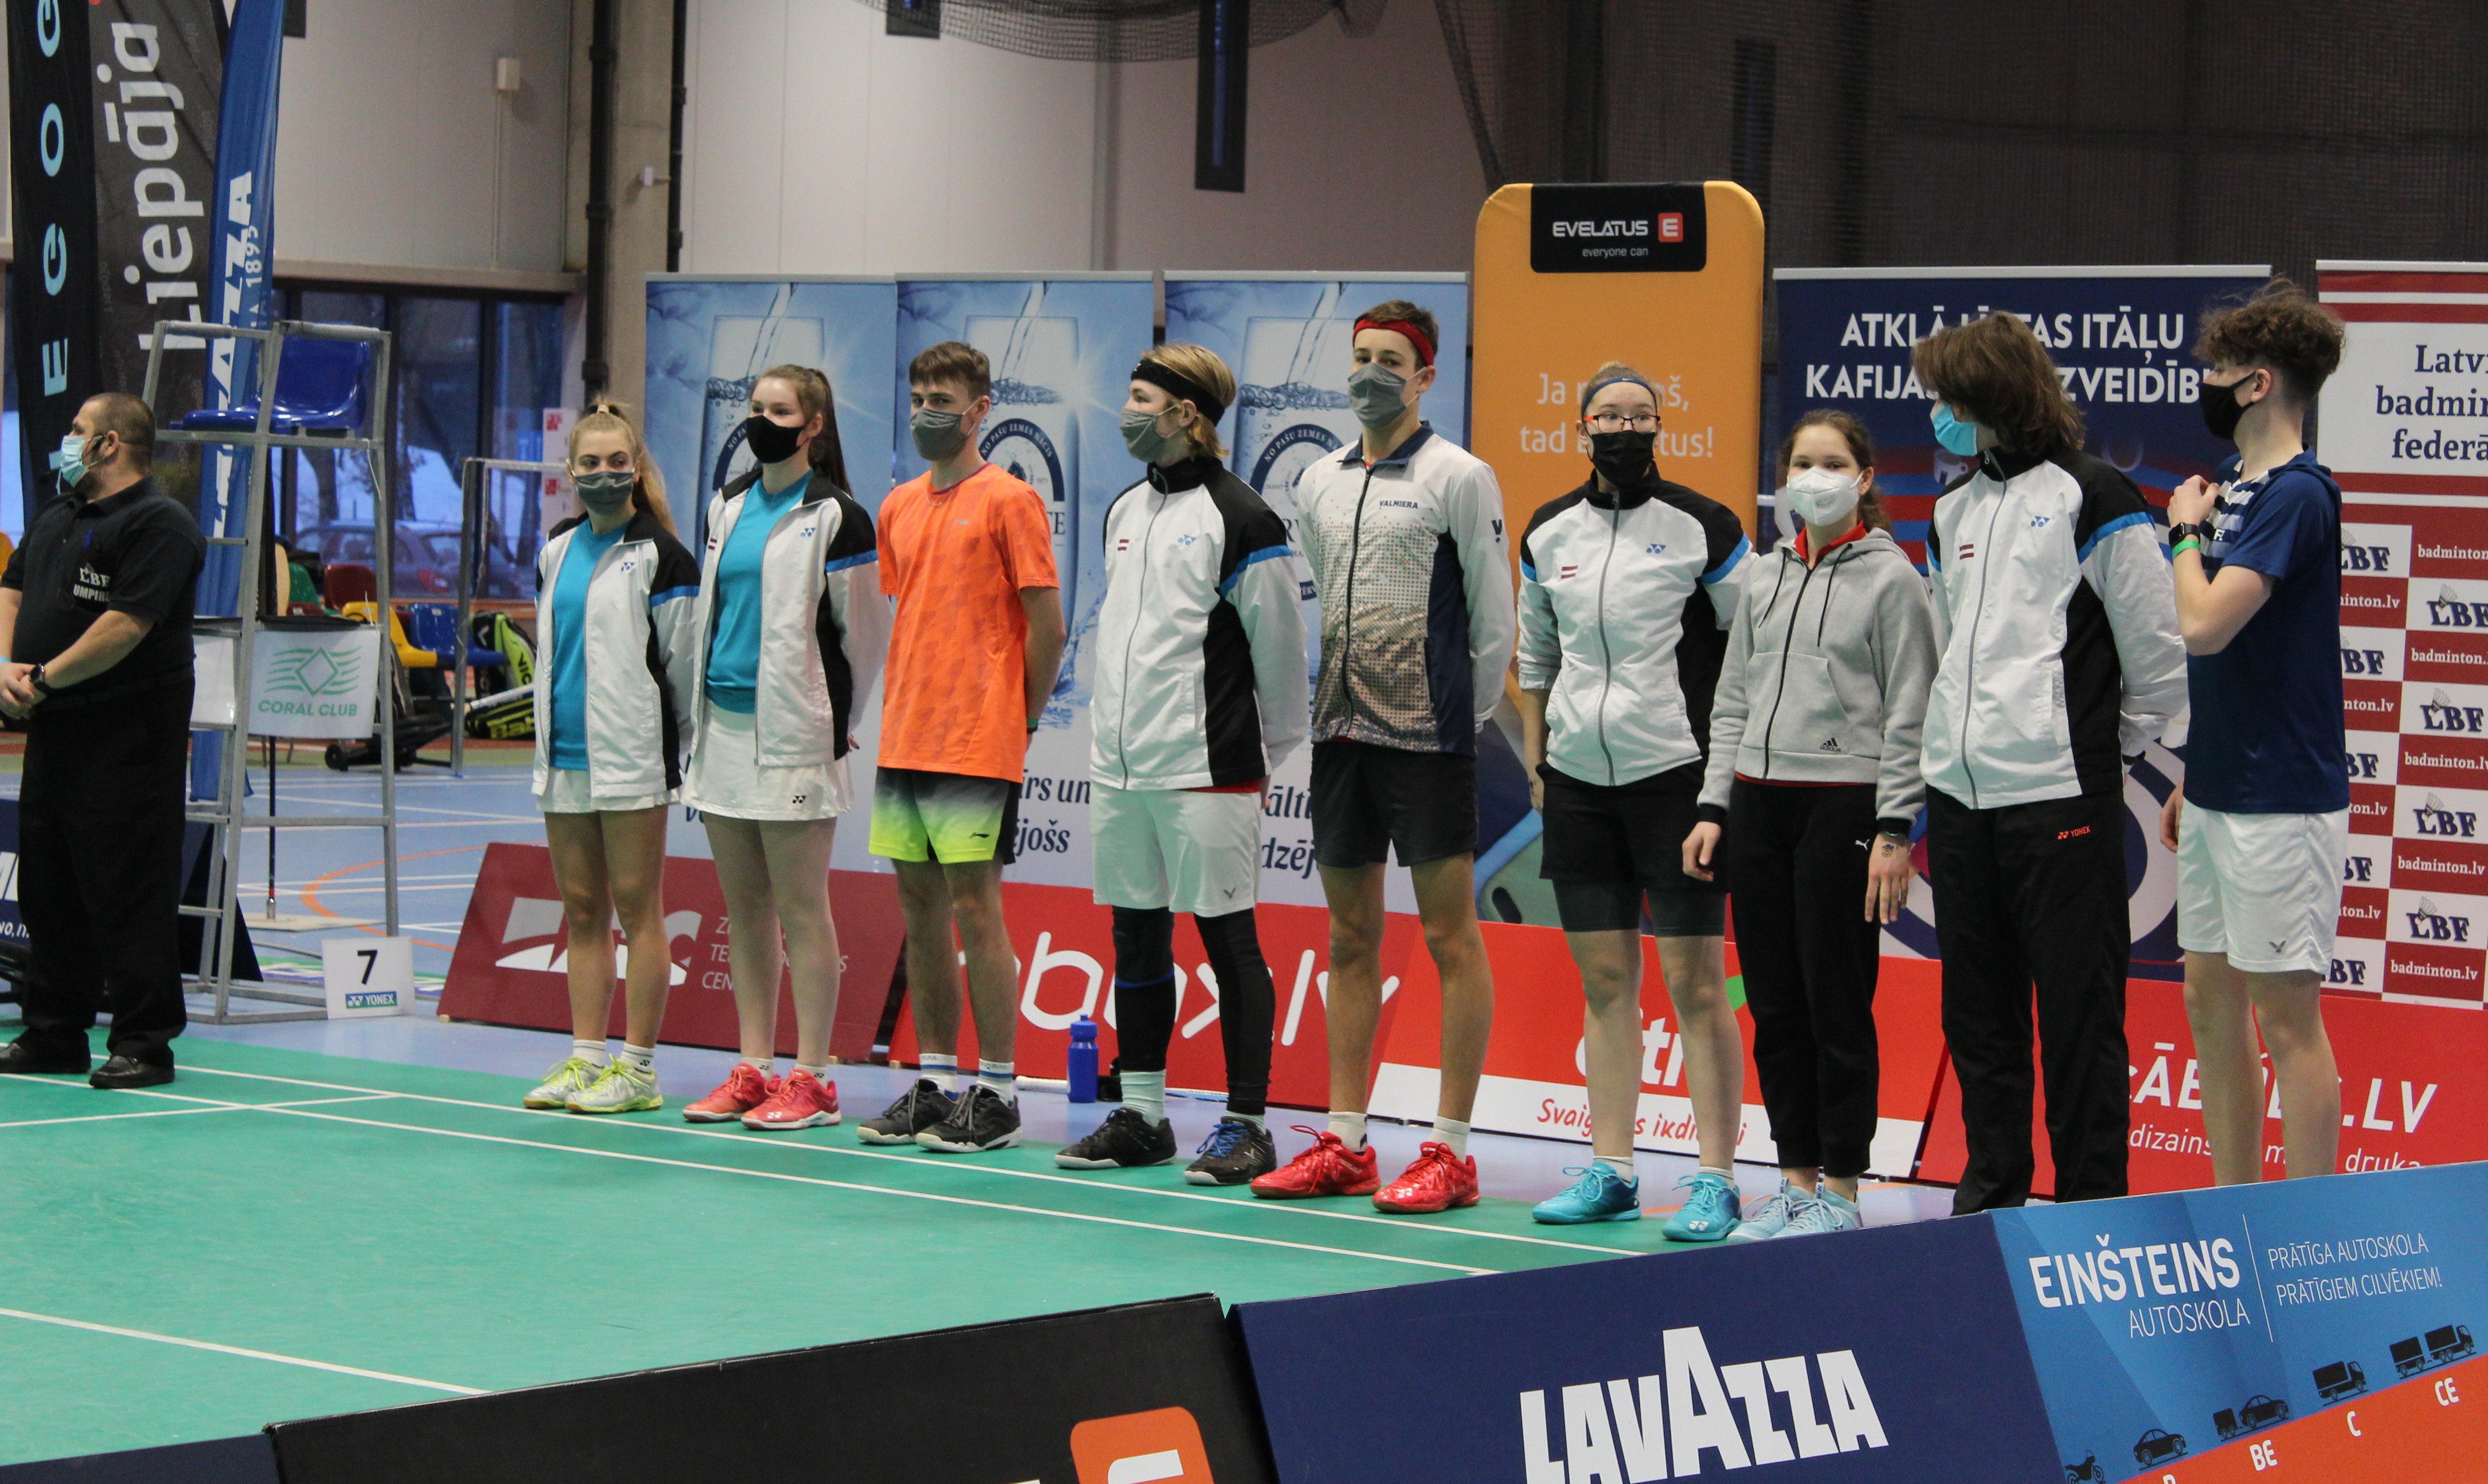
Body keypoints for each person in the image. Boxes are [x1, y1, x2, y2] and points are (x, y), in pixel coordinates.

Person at [1914, 312, 2187, 1211]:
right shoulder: (1950, 509)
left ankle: (2090, 1215)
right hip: (1961, 803)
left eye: (1952, 397)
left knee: (2079, 1020)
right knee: (1978, 1018)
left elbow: (2158, 660)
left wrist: (2094, 751)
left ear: (1996, 394)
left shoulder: (2095, 494)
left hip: (2062, 802)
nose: (1940, 414)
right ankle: (1988, 1200)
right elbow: (1952, 649)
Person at [1250, 301, 1514, 1214]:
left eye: (1392, 359)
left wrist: (1461, 719)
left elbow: (1494, 618)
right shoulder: (1319, 480)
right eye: (1361, 355)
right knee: (1349, 938)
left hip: (1431, 740)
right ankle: (1346, 1142)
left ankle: (1451, 1152)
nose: (1372, 372)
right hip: (1341, 736)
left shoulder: (1460, 476)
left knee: (1449, 938)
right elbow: (1326, 591)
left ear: (1426, 376)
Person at [1511, 362, 1755, 1236]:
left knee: (1696, 983)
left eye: (1639, 415)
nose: (1623, 428)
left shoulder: (1704, 526)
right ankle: (1611, 1170)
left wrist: (1721, 782)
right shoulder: (1548, 532)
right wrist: (1541, 763)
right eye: (1607, 415)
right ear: (1581, 428)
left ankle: (1716, 1178)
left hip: (1678, 778)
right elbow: (1536, 658)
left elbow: (1749, 646)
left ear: (1659, 427)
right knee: (1607, 981)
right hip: (1579, 782)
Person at [1056, 344, 1307, 1185]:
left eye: (1141, 399)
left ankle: (1248, 1125)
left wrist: (1260, 755)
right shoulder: (1125, 509)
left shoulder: (1246, 518)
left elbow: (1281, 654)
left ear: (1186, 413)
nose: (1128, 413)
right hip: (1122, 769)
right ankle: (1144, 1117)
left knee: (1230, 942)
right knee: (1136, 938)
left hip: (1209, 766)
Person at [1682, 411, 1936, 1238]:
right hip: (1758, 807)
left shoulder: (1894, 580)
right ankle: (1793, 1183)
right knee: (1776, 1006)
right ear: (1784, 477)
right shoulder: (1763, 576)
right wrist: (1714, 805)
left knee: (1836, 1006)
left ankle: (1842, 1192)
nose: (1815, 478)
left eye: (1833, 463)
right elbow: (1732, 700)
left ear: (1864, 479)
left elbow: (1911, 711)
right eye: (1802, 463)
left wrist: (1894, 829)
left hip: (1845, 805)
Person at [2160, 280, 2350, 1185]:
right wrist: (2193, 773)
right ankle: (2234, 1210)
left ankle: (2307, 1235)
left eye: (2219, 370)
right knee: (2208, 1003)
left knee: (2286, 1019)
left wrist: (2182, 536)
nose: (2206, 384)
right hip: (2219, 788)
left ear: (2259, 383)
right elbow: (2231, 665)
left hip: (2282, 800)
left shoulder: (2300, 495)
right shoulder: (2236, 485)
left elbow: (2205, 626)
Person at [859, 341, 1065, 1155]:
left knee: (977, 911)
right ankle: (937, 1084)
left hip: (977, 741)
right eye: (917, 398)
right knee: (919, 914)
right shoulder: (898, 505)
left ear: (980, 410)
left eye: (941, 400)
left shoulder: (1012, 500)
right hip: (906, 734)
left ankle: (1000, 1093)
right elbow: (914, 614)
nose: (925, 413)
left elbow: (1046, 628)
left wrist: (1022, 720)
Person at [677, 366, 889, 1132]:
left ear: (813, 426)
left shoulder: (838, 518)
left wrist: (832, 719)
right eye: (756, 408)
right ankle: (753, 1068)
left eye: (780, 410)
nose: (761, 421)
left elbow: (864, 638)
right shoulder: (726, 505)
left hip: (795, 738)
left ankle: (815, 1079)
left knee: (803, 911)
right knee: (745, 912)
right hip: (724, 733)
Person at [0, 393, 205, 1088]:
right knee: (49, 888)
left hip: (128, 734)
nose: (68, 441)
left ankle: (145, 1044)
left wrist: (43, 679)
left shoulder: (161, 524)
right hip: (54, 729)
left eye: (77, 430)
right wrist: (7, 666)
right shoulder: (57, 514)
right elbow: (12, 592)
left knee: (129, 892)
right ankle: (53, 1033)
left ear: (109, 443)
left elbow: (125, 626)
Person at [518, 402, 702, 1115]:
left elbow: (682, 668)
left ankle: (639, 1069)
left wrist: (664, 746)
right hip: (563, 758)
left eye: (617, 463)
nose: (604, 474)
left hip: (632, 760)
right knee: (583, 909)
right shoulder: (556, 550)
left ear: (636, 468)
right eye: (590, 464)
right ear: (571, 473)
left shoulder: (663, 555)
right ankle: (586, 1058)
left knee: (638, 908)